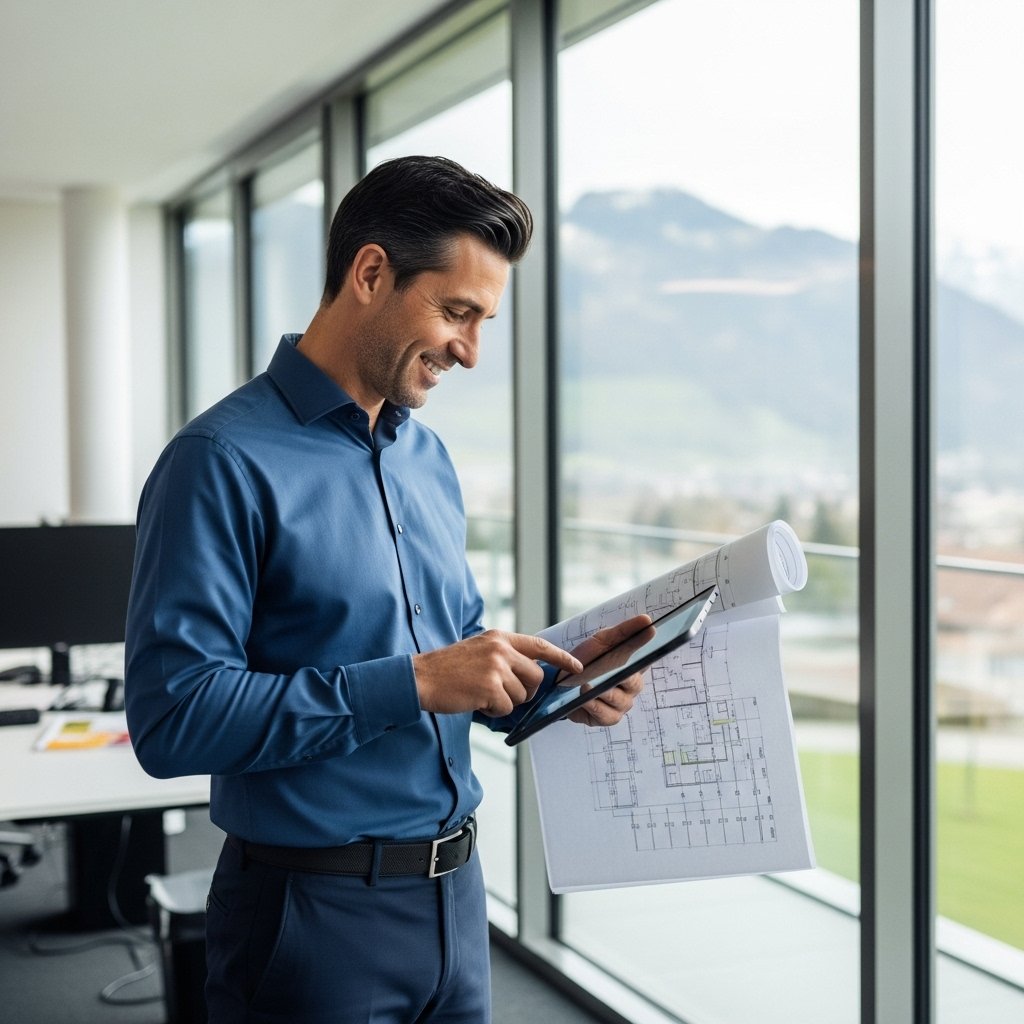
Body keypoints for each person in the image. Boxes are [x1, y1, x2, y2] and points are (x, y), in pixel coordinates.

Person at [124, 155, 648, 1024]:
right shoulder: (218, 463)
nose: (471, 352)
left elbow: (454, 659)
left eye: (484, 322)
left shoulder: (426, 459)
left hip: (455, 903)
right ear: (370, 273)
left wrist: (556, 683)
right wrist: (415, 681)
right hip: (309, 920)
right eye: (456, 312)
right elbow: (174, 718)